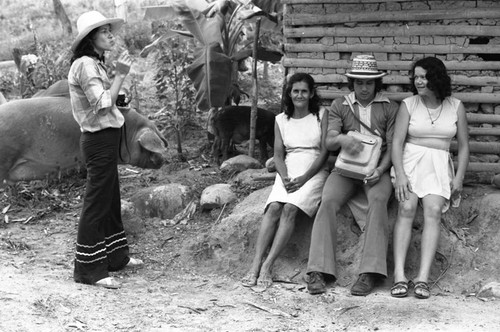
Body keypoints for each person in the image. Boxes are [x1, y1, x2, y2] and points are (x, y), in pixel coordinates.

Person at [306, 55, 399, 296]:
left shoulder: (389, 107)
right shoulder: (341, 105)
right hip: (346, 171)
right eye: (359, 83)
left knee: (378, 201)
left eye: (369, 83)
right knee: (327, 201)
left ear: (377, 84)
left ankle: (370, 272)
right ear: (352, 82)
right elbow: (329, 140)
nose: (364, 88)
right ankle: (318, 270)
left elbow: (393, 145)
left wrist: (380, 170)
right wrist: (343, 139)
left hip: (377, 169)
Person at [68, 11, 143, 289]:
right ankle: (89, 271)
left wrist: (119, 97)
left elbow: (105, 102)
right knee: (97, 202)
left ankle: (116, 257)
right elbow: (101, 105)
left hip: (104, 139)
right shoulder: (86, 64)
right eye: (105, 32)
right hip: (98, 142)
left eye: (110, 31)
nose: (111, 35)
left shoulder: (94, 63)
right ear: (91, 38)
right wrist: (121, 76)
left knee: (110, 198)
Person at [241, 73, 329, 288]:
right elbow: (279, 155)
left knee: (290, 208)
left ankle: (267, 266)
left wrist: (304, 178)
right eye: (295, 91)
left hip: (314, 169)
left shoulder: (320, 115)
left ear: (311, 94)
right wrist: (285, 176)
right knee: (273, 208)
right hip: (289, 168)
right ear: (289, 94)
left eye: (304, 91)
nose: (300, 95)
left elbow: (325, 151)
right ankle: (254, 265)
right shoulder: (281, 119)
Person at [390, 57, 469, 299]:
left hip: (438, 164)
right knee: (407, 207)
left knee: (433, 211)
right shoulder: (409, 104)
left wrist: (459, 178)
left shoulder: (456, 106)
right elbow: (396, 142)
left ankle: (423, 279)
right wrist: (400, 175)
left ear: (436, 77)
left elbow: (464, 146)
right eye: (416, 77)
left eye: (423, 76)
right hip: (410, 162)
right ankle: (400, 276)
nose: (419, 81)